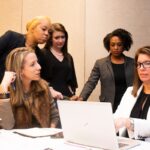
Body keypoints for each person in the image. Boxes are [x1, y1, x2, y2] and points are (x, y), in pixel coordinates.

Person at [0, 47, 59, 129]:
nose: (39, 67)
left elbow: (54, 116)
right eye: (32, 64)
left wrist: (50, 132)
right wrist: (3, 89)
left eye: (37, 62)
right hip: (16, 140)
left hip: (43, 139)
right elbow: (7, 126)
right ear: (20, 70)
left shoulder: (43, 87)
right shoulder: (6, 92)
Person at [78, 28, 134, 112]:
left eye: (119, 44)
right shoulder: (100, 63)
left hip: (128, 104)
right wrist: (81, 98)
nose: (116, 47)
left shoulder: (133, 63)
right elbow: (91, 83)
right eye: (112, 45)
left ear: (124, 45)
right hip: (108, 104)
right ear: (108, 46)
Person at [114, 46, 150, 141]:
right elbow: (117, 118)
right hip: (128, 144)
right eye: (139, 64)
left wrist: (130, 123)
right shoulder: (130, 92)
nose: (142, 68)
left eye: (147, 63)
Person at [0, 15, 51, 82]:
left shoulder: (41, 56)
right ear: (32, 28)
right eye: (43, 29)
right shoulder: (11, 37)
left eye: (49, 32)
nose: (47, 34)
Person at [41, 23, 78, 99]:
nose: (60, 40)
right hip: (48, 98)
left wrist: (72, 95)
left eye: (63, 37)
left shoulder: (68, 57)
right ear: (50, 39)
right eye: (57, 38)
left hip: (67, 99)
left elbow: (71, 82)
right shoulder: (42, 54)